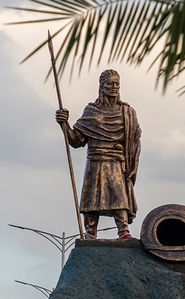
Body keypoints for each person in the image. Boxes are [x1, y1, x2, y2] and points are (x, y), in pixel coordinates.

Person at [55, 69, 142, 239]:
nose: (114, 87)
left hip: (117, 162)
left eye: (117, 83)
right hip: (95, 161)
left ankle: (123, 231)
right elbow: (76, 141)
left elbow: (134, 140)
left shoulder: (127, 113)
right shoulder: (91, 111)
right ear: (101, 86)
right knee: (91, 200)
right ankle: (90, 232)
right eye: (110, 83)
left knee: (119, 197)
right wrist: (64, 124)